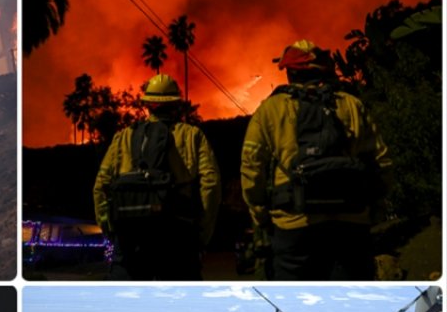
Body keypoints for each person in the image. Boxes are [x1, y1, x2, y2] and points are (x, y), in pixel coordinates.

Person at [240, 39, 390, 280]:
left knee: (293, 303)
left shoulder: (271, 109)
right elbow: (381, 161)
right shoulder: (351, 105)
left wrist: (261, 216)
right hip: (351, 222)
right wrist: (375, 208)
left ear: (289, 72)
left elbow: (251, 168)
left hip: (294, 224)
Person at [93, 74, 220, 280]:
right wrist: (202, 234)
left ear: (147, 105)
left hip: (129, 237)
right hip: (179, 237)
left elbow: (100, 187)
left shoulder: (123, 137)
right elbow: (211, 186)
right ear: (176, 104)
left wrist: (111, 229)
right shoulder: (192, 136)